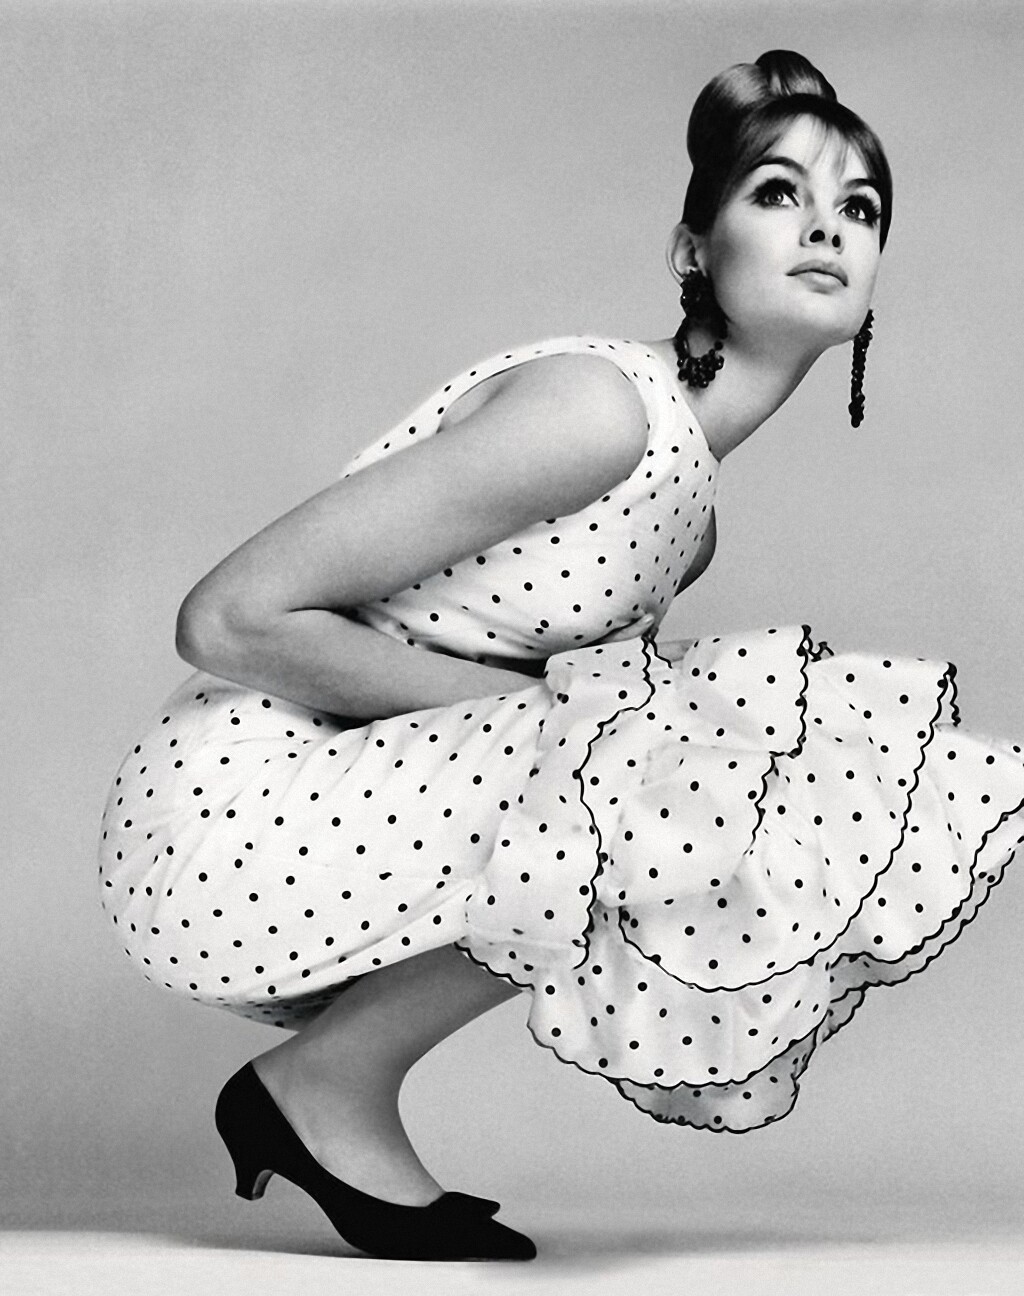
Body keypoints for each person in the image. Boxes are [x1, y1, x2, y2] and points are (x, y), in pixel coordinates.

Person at [97, 50, 1024, 1262]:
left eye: (858, 208)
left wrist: (608, 728)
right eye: (776, 193)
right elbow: (228, 621)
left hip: (353, 805)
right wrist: (595, 729)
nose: (824, 229)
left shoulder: (686, 509)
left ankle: (328, 1082)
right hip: (230, 809)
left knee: (699, 741)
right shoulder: (598, 413)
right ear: (693, 250)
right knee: (679, 749)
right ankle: (323, 1085)